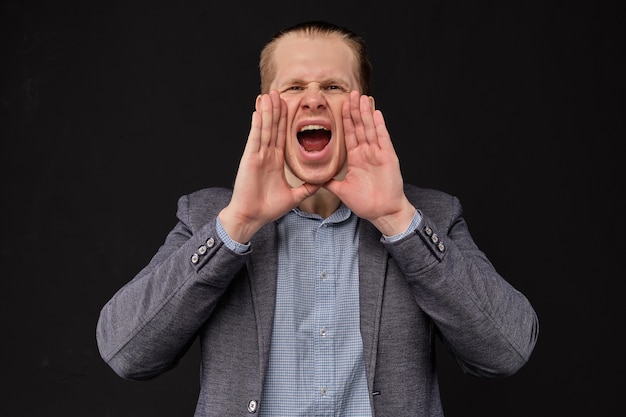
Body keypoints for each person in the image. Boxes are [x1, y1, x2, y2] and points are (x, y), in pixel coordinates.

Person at [96, 20, 539, 417]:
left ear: (362, 107)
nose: (312, 100)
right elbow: (127, 354)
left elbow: (506, 352)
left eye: (333, 86)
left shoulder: (431, 217)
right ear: (266, 108)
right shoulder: (207, 216)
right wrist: (237, 226)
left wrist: (397, 220)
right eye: (293, 87)